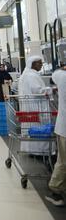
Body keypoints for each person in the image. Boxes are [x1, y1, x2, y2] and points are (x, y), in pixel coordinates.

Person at [18, 56, 53, 154]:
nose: (41, 65)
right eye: (39, 63)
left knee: (31, 127)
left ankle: (32, 149)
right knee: (38, 127)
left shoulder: (27, 74)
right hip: (35, 106)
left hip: (30, 107)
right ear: (33, 64)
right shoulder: (31, 75)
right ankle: (39, 150)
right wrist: (51, 89)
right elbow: (37, 90)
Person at [46, 66, 66, 206]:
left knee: (63, 161)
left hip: (63, 128)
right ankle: (57, 191)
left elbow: (55, 74)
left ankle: (57, 191)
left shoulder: (62, 76)